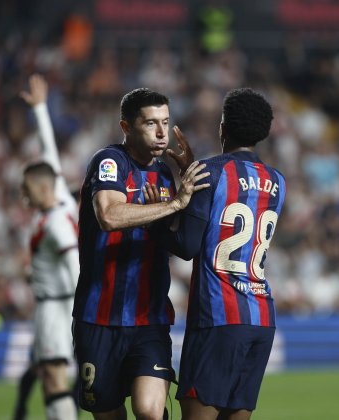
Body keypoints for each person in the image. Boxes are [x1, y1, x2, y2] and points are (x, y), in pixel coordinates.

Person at [72, 87, 209, 420]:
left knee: (149, 411)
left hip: (149, 319)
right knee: (108, 414)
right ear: (126, 127)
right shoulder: (109, 161)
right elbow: (109, 215)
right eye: (150, 123)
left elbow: (177, 237)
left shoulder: (163, 173)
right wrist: (173, 203)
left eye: (165, 122)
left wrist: (190, 184)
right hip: (98, 319)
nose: (162, 133)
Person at [150, 88, 286, 420]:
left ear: (222, 128)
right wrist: (193, 176)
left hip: (218, 319)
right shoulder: (278, 181)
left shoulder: (211, 173)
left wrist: (156, 215)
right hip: (261, 319)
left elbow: (186, 246)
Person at [19, 74, 80, 420]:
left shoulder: (56, 223)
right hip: (59, 303)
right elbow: (49, 152)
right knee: (50, 379)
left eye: (27, 188)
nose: (23, 194)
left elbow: (73, 262)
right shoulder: (59, 201)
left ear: (42, 189)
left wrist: (82, 301)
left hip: (56, 308)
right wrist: (41, 109)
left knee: (55, 380)